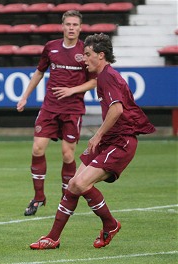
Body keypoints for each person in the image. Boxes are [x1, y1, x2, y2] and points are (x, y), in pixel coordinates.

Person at [30, 33, 156, 250]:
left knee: (80, 183)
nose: (83, 59)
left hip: (121, 142)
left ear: (101, 55)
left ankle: (110, 223)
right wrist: (100, 138)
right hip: (109, 140)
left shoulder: (109, 77)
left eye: (87, 55)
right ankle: (52, 238)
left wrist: (97, 136)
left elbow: (117, 109)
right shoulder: (103, 76)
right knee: (72, 185)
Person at [16, 10, 97, 216]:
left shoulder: (86, 51)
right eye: (68, 24)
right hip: (49, 107)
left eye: (75, 25)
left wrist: (72, 90)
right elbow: (40, 71)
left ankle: (66, 197)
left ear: (80, 28)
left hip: (72, 110)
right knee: (37, 149)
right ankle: (38, 197)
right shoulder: (51, 47)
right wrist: (25, 96)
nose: (71, 28)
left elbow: (94, 80)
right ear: (62, 26)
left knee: (67, 154)